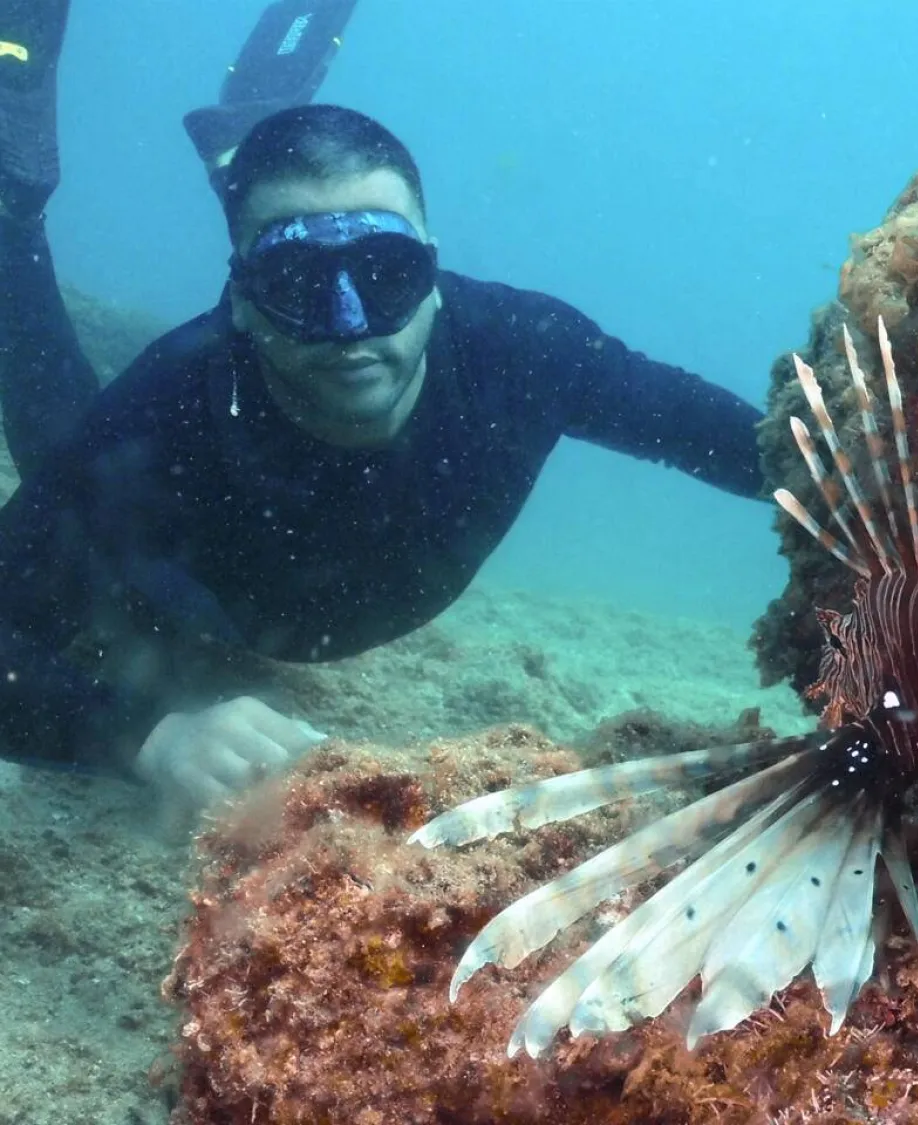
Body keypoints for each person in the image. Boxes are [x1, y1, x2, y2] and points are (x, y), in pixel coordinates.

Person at [0, 1, 767, 808]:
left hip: (276, 600)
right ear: (241, 299)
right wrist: (148, 735)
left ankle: (259, 143)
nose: (350, 328)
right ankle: (11, 203)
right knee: (57, 439)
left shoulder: (528, 348)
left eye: (385, 271)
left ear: (433, 272)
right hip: (178, 585)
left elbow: (769, 452)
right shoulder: (164, 410)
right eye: (293, 280)